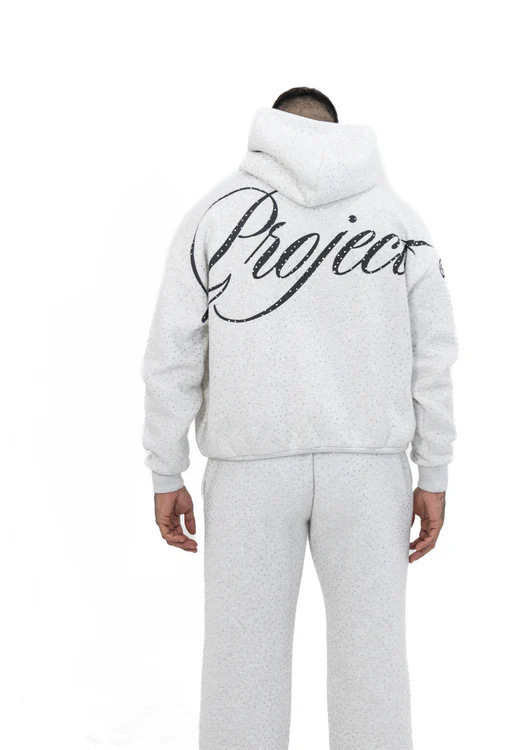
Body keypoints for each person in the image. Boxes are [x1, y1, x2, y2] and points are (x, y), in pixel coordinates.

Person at [142, 86, 457, 750]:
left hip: (248, 472)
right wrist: (433, 470)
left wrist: (166, 469)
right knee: (374, 666)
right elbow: (434, 355)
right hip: (369, 472)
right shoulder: (399, 222)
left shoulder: (215, 215)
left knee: (240, 670)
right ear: (336, 133)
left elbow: (173, 352)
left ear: (271, 131)